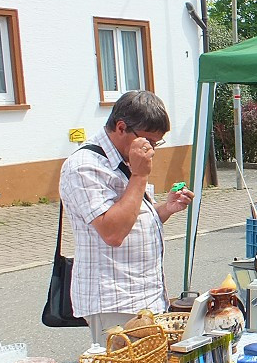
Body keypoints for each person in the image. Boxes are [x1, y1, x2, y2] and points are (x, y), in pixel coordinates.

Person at [59, 91, 194, 345]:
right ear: (121, 128)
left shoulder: (125, 160)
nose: (152, 150)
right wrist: (140, 176)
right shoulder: (84, 166)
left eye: (156, 143)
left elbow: (134, 218)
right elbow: (113, 232)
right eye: (149, 141)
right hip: (116, 301)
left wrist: (165, 208)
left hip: (145, 296)